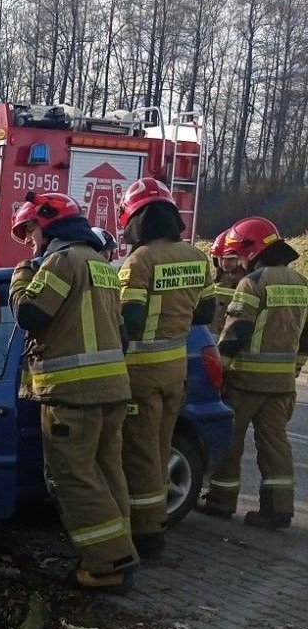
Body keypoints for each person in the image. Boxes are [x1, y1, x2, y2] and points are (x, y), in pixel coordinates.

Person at [9, 191, 138, 593]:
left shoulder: (62, 261)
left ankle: (106, 567)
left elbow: (30, 313)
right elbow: (121, 331)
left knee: (74, 478)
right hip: (111, 389)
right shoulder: (100, 263)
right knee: (106, 472)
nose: (29, 242)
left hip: (73, 395)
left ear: (46, 225)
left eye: (29, 231)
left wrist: (20, 276)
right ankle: (121, 552)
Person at [114, 178, 214, 558]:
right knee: (160, 448)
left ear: (135, 218)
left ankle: (147, 534)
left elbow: (131, 320)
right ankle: (155, 524)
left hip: (140, 373)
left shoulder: (140, 261)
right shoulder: (196, 257)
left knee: (139, 453)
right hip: (176, 371)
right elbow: (205, 312)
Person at [199, 217, 308, 529]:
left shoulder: (253, 283)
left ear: (253, 249)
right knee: (275, 444)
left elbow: (237, 331)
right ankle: (279, 509)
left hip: (246, 381)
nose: (239, 263)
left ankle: (221, 501)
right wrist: (295, 367)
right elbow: (307, 336)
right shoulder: (301, 283)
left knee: (231, 440)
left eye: (240, 255)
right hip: (283, 383)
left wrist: (218, 371)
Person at [208, 231, 245, 337]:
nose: (224, 263)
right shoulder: (213, 280)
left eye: (230, 259)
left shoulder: (247, 283)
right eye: (221, 259)